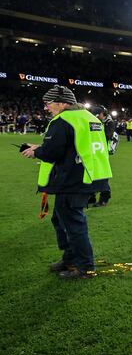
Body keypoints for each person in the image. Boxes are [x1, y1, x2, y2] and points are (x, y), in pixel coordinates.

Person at [19, 85, 112, 279]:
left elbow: (53, 151)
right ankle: (70, 259)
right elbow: (75, 145)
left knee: (72, 222)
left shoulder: (63, 120)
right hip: (93, 175)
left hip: (75, 179)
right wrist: (42, 146)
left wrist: (36, 151)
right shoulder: (90, 118)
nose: (46, 108)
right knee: (61, 218)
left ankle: (85, 267)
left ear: (62, 103)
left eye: (48, 103)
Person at [88, 105, 116, 207]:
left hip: (102, 152)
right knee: (91, 175)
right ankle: (91, 196)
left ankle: (104, 198)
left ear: (101, 114)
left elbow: (107, 135)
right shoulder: (96, 122)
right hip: (93, 151)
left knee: (102, 177)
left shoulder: (109, 123)